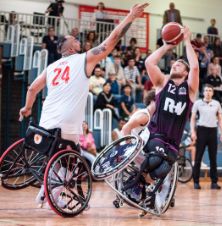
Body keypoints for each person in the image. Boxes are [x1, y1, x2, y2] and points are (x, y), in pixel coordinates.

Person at [19, 2, 149, 205]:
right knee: (70, 161)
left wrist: (26, 108)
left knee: (61, 156)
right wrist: (130, 17)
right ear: (70, 47)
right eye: (76, 40)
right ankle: (55, 196)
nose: (79, 41)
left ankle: (47, 191)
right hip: (67, 121)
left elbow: (32, 89)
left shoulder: (52, 66)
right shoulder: (82, 59)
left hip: (46, 121)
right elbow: (111, 40)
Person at [143, 25, 199, 196]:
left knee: (161, 170)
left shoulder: (189, 90)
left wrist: (187, 41)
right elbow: (149, 62)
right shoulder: (161, 82)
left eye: (180, 65)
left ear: (186, 73)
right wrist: (167, 46)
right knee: (154, 160)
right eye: (174, 63)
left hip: (173, 142)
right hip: (156, 134)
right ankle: (140, 183)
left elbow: (195, 67)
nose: (175, 65)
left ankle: (148, 184)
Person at [190, 84, 222, 189]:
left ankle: (214, 182)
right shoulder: (197, 103)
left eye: (210, 90)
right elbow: (192, 118)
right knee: (198, 157)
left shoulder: (216, 103)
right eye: (206, 90)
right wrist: (193, 132)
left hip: (213, 131)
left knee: (213, 158)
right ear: (203, 92)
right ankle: (196, 181)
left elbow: (220, 119)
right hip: (201, 131)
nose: (208, 92)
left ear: (213, 92)